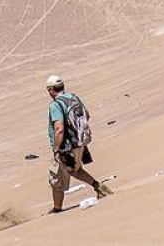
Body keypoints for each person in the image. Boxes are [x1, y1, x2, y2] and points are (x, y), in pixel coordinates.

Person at [45, 75, 113, 213]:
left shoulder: (55, 105)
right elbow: (86, 115)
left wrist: (57, 149)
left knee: (56, 179)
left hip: (66, 146)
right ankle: (98, 186)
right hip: (79, 142)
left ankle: (57, 209)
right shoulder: (73, 97)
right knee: (74, 170)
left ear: (51, 90)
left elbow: (59, 129)